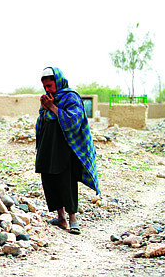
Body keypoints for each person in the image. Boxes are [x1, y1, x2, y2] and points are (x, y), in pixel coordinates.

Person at [35, 67, 100, 235]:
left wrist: (53, 108)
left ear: (58, 81)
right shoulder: (50, 98)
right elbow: (43, 120)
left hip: (65, 147)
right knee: (49, 180)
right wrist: (46, 107)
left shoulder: (71, 97)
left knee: (66, 181)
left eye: (50, 85)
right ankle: (60, 217)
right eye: (45, 87)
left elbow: (74, 120)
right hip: (48, 146)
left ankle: (73, 220)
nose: (47, 89)